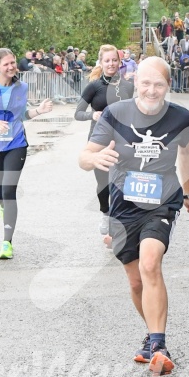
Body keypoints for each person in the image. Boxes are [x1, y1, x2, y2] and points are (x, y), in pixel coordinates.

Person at [79, 56, 189, 376]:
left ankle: (160, 345)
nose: (152, 90)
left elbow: (187, 151)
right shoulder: (115, 113)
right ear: (135, 83)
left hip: (161, 203)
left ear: (169, 86)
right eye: (146, 83)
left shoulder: (180, 117)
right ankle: (151, 336)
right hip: (122, 207)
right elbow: (84, 156)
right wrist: (95, 159)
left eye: (159, 84)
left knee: (151, 262)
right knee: (136, 280)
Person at [0, 47, 53, 259]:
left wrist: (39, 111)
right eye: (7, 64)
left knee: (8, 191)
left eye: (13, 62)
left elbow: (22, 115)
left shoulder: (21, 87)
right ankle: (4, 207)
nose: (12, 66)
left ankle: (7, 242)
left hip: (16, 144)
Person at [74, 44, 134, 235]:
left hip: (123, 140)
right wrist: (93, 116)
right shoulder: (94, 87)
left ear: (119, 62)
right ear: (101, 62)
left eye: (114, 60)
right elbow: (78, 113)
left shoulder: (128, 86)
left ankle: (122, 218)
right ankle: (106, 214)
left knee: (124, 180)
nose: (111, 64)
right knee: (104, 183)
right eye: (107, 60)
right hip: (98, 141)